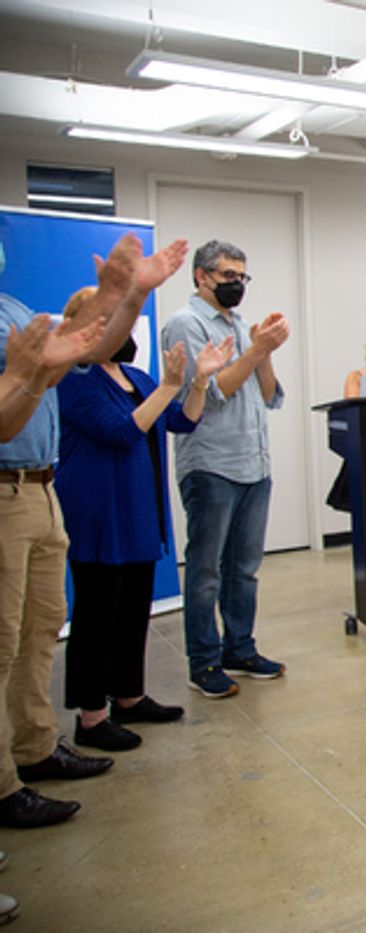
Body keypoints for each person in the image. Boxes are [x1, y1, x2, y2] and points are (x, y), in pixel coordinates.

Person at [0, 232, 188, 830]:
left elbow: (96, 350)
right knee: (28, 635)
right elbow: (119, 426)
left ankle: (39, 745)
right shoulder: (71, 371)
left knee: (45, 632)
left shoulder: (17, 313)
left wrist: (132, 296)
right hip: (45, 497)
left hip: (55, 491)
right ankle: (30, 760)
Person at [55, 287, 233, 750]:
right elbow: (120, 431)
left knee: (133, 607)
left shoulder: (135, 376)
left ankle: (128, 697)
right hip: (98, 511)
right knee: (97, 613)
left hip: (137, 509)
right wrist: (170, 386)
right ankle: (91, 717)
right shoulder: (74, 379)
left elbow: (182, 421)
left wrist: (198, 381)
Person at [162, 239, 289, 700]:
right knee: (206, 570)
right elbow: (213, 394)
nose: (237, 284)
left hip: (254, 462)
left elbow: (269, 396)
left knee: (244, 569)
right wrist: (254, 351)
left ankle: (240, 648)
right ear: (201, 276)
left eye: (242, 276)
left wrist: (265, 351)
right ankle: (204, 661)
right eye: (228, 276)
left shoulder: (238, 324)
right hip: (211, 464)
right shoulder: (186, 323)